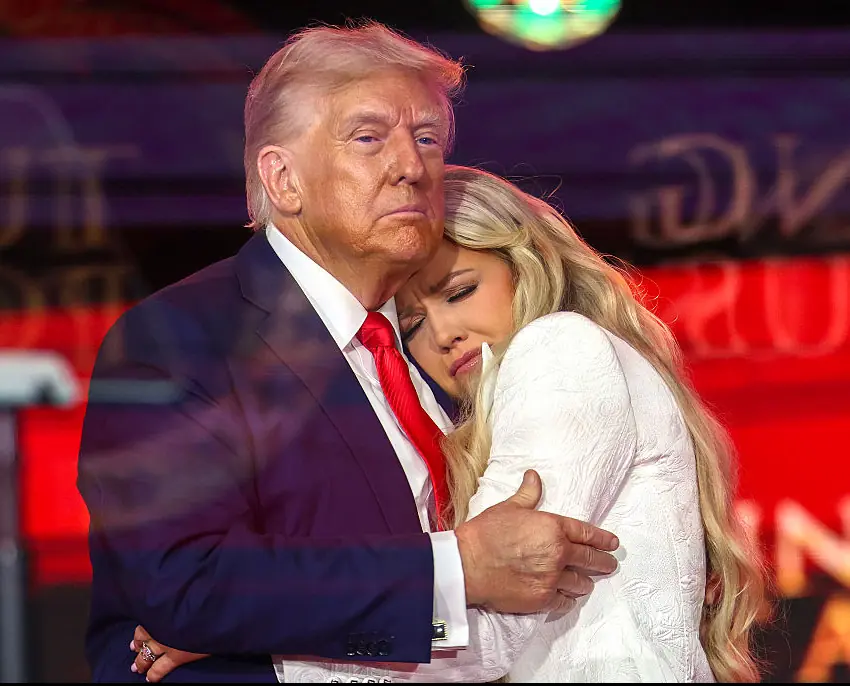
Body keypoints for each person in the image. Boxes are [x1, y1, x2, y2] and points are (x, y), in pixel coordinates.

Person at [77, 24, 619, 683]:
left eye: (426, 138)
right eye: (369, 138)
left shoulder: (452, 347)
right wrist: (454, 572)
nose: (412, 166)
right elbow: (185, 583)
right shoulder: (175, 340)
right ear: (282, 179)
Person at [129, 166, 769, 683]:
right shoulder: (495, 408)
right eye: (410, 323)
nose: (441, 333)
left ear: (525, 268)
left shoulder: (560, 348)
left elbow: (487, 631)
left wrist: (248, 639)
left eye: (459, 291)